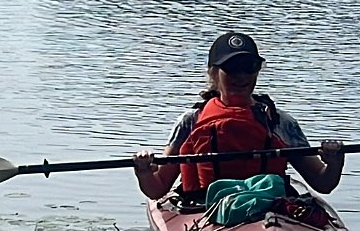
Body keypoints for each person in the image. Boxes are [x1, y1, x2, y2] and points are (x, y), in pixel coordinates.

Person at [132, 32, 344, 201]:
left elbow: (323, 183)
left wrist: (335, 162)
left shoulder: (280, 123)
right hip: (205, 208)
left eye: (249, 68)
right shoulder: (190, 122)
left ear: (257, 72)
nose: (241, 76)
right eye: (231, 68)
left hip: (268, 207)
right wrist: (143, 170)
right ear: (213, 73)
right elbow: (157, 189)